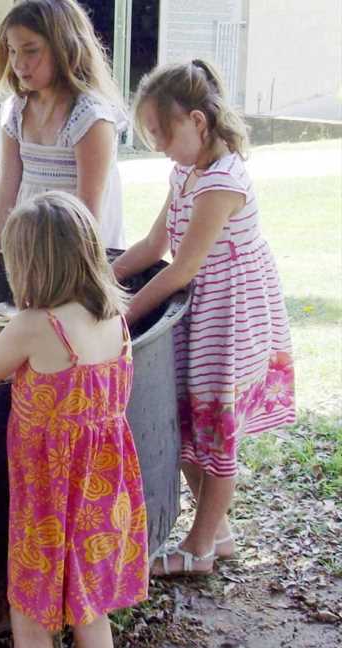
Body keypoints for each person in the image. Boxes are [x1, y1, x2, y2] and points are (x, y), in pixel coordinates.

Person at [0, 191, 148, 648]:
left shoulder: (36, 326)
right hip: (104, 485)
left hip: (49, 492)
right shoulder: (115, 319)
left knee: (31, 607)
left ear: (30, 265)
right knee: (89, 606)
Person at [112, 60, 295, 577]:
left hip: (232, 311)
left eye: (161, 132)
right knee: (191, 419)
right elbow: (154, 244)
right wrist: (101, 279)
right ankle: (218, 531)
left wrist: (123, 316)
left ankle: (200, 549)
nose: (158, 145)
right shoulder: (186, 171)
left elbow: (183, 266)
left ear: (197, 121)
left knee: (217, 427)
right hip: (204, 303)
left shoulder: (224, 179)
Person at [0, 0, 128, 300]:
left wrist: (62, 284)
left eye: (31, 50)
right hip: (33, 257)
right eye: (12, 50)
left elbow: (88, 215)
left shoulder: (90, 117)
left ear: (64, 46)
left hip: (78, 264)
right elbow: (3, 198)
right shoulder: (16, 111)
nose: (19, 63)